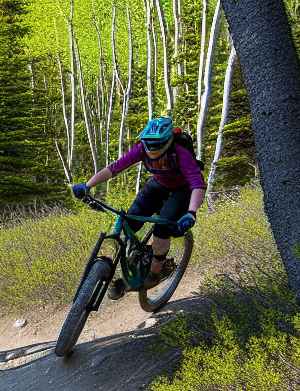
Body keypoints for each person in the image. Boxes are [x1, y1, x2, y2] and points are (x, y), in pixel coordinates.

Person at [72, 116, 205, 289]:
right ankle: (126, 264)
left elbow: (197, 183)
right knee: (129, 221)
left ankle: (156, 272)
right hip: (159, 183)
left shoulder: (179, 152)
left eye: (157, 143)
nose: (152, 147)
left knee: (162, 228)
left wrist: (191, 212)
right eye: (149, 142)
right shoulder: (141, 149)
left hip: (182, 189)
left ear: (167, 141)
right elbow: (115, 168)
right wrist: (87, 185)